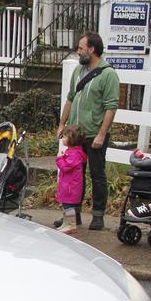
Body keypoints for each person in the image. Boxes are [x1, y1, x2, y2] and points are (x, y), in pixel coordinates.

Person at [56, 32, 120, 231]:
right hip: (76, 134)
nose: (78, 51)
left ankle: (98, 215)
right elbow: (70, 98)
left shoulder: (108, 74)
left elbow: (111, 107)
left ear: (92, 49)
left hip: (94, 133)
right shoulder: (78, 72)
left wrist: (101, 134)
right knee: (75, 175)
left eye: (81, 48)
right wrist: (62, 124)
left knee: (97, 174)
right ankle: (72, 215)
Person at [55, 125, 87, 234]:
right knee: (65, 206)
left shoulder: (74, 154)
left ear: (72, 139)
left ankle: (71, 225)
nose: (62, 139)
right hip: (68, 185)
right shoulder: (72, 152)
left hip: (70, 187)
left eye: (64, 137)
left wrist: (59, 158)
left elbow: (65, 167)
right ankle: (66, 223)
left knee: (68, 206)